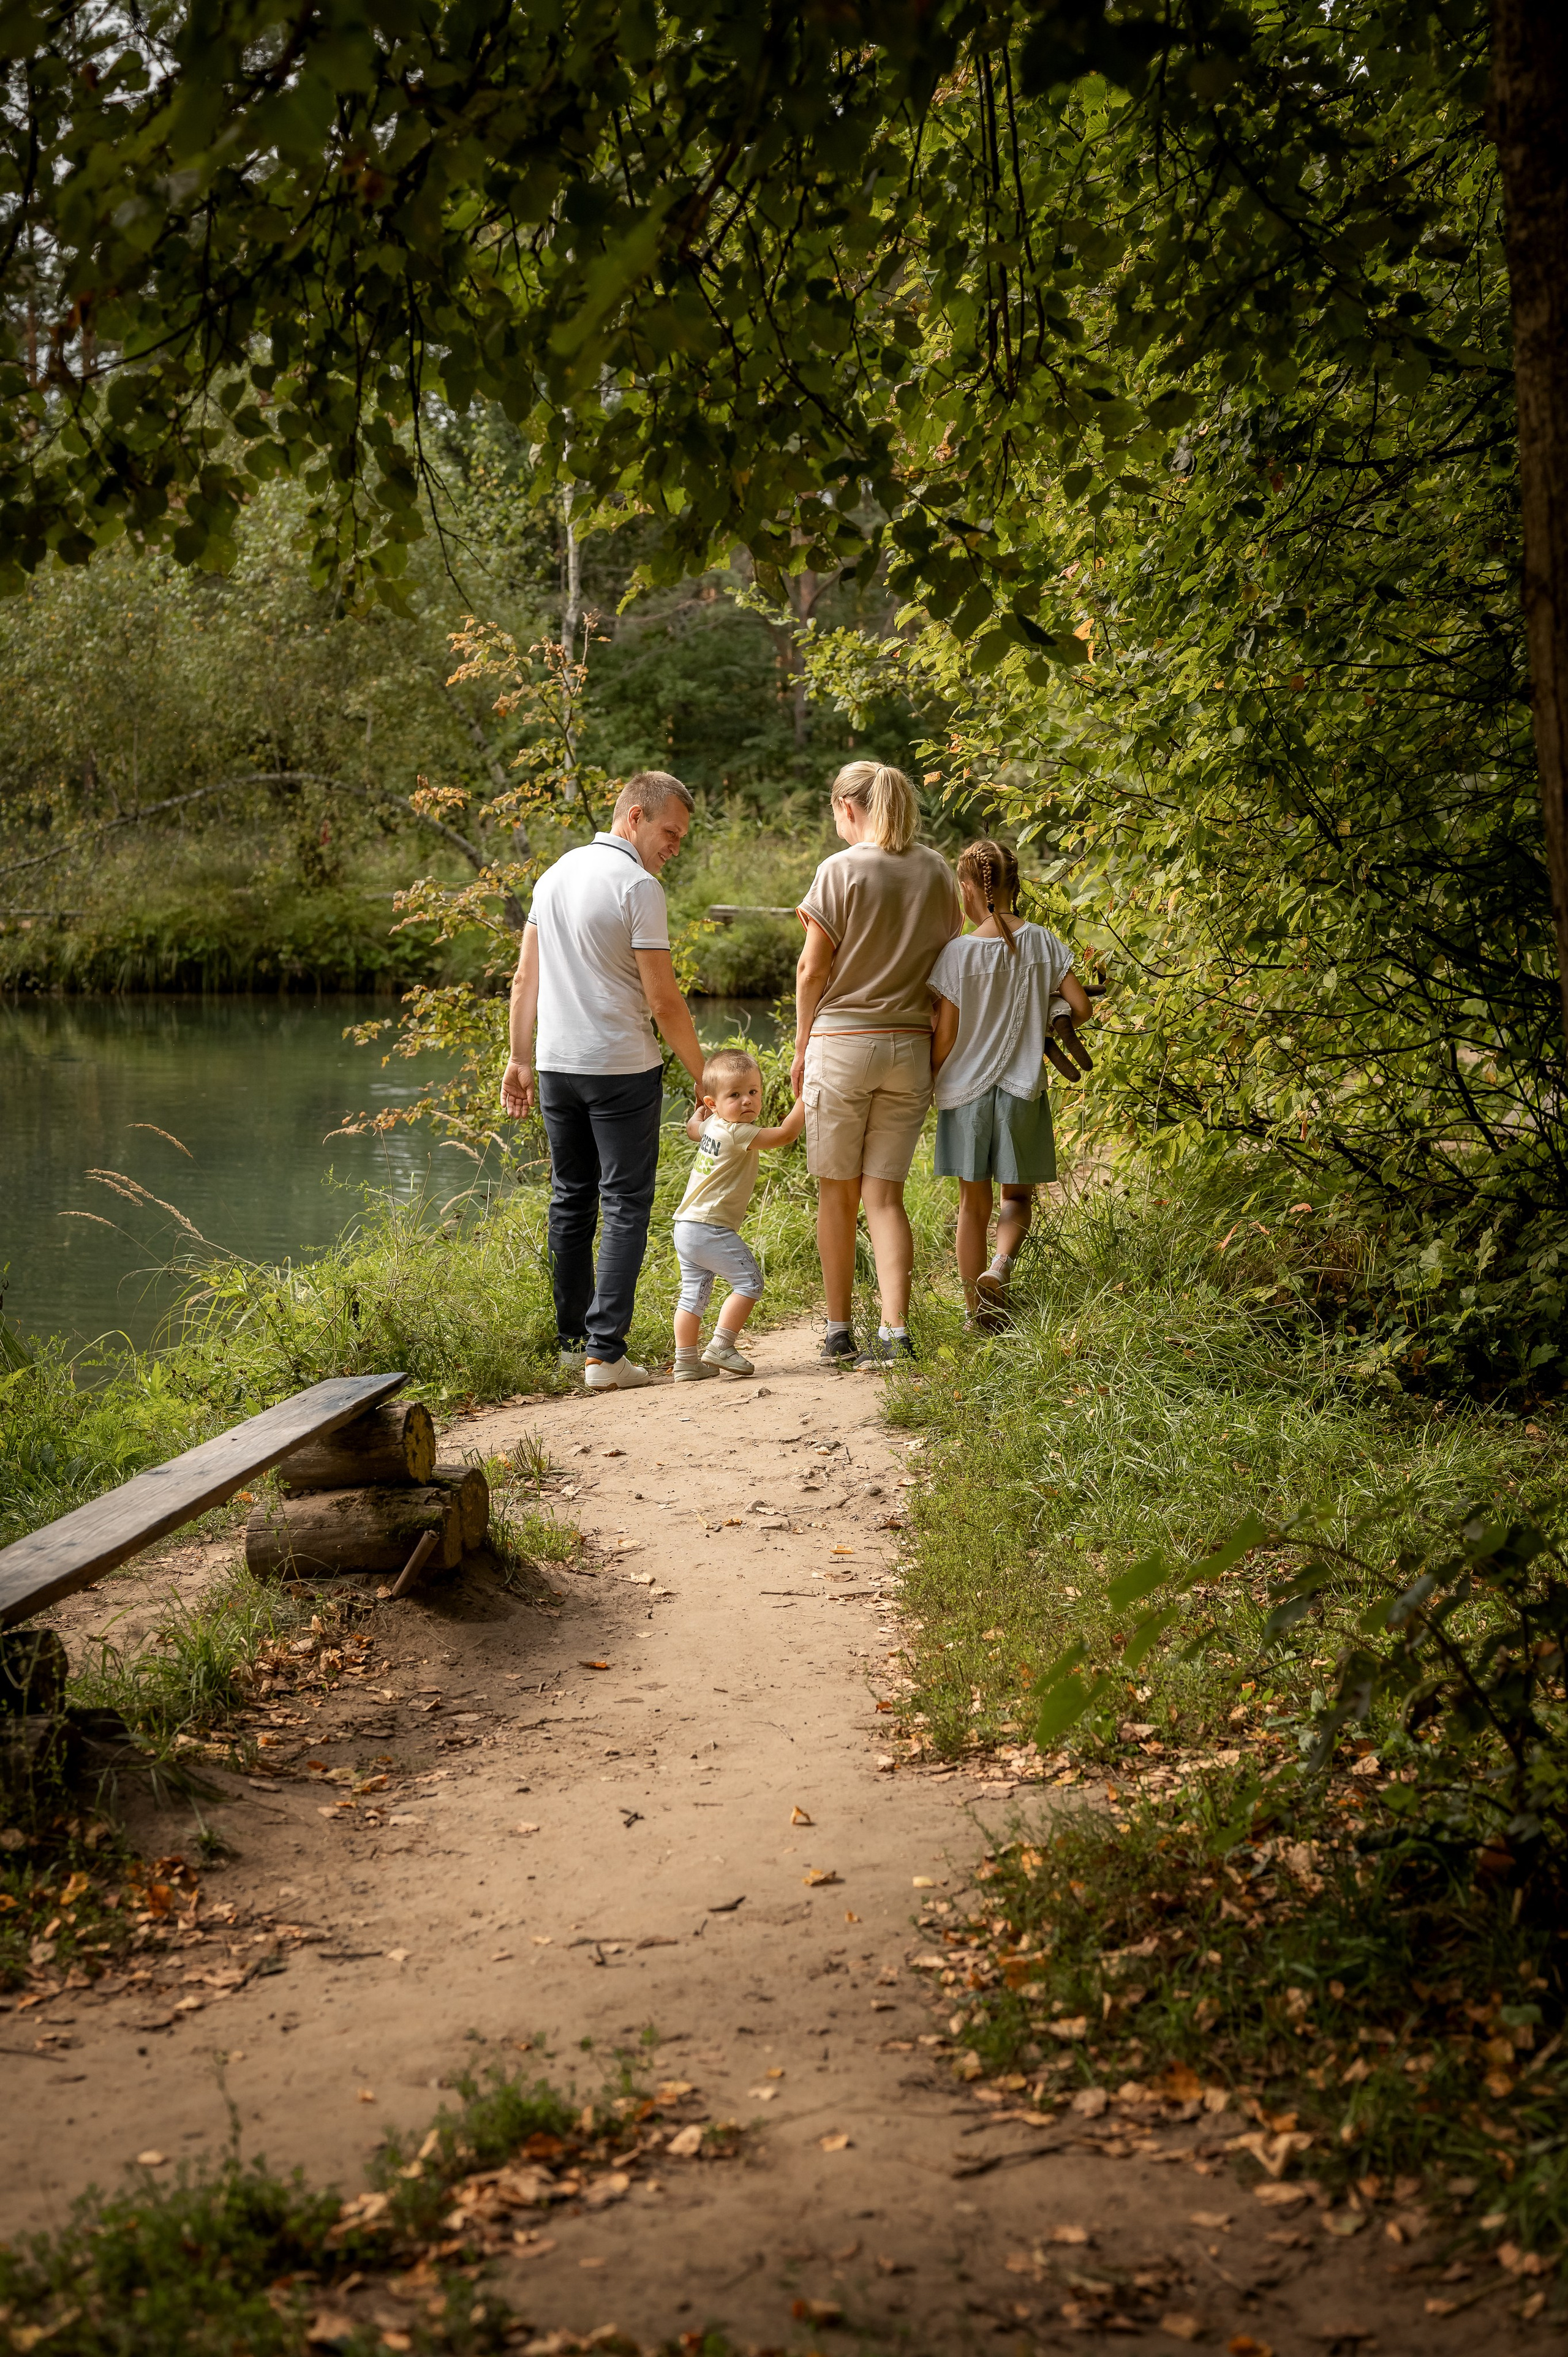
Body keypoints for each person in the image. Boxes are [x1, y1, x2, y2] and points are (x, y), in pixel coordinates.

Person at [500, 771, 706, 1390]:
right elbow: (664, 999)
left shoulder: (555, 873)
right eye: (670, 832)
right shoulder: (638, 887)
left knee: (570, 1198)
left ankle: (571, 1345)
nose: (675, 846)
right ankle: (604, 1354)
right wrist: (707, 1078)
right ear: (636, 816)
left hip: (558, 1066)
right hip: (619, 1067)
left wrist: (519, 1058)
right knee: (623, 1204)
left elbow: (522, 980)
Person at [792, 761, 962, 1368]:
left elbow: (813, 969)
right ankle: (895, 1332)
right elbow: (950, 977)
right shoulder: (938, 871)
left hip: (841, 1044)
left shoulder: (839, 871)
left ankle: (839, 1332)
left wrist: (800, 1047)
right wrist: (936, 1056)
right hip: (909, 1048)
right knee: (885, 1198)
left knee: (836, 1195)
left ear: (847, 807)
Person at [927, 837, 1093, 1325]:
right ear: (1015, 885)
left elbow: (947, 1036)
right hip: (1023, 1089)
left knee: (971, 1206)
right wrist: (1048, 1016)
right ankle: (999, 1268)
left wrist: (929, 1077)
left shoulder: (957, 954)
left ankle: (973, 1309)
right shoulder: (1042, 941)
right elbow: (1081, 1008)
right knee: (1017, 1198)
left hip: (965, 1093)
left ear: (966, 888)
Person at [671, 1047, 806, 1381]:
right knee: (750, 1283)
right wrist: (808, 1097)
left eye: (753, 1092)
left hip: (686, 1227)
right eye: (735, 1095)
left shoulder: (713, 1125)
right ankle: (722, 1345)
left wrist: (699, 1113)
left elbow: (692, 1129)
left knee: (693, 1296)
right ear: (715, 1102)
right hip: (710, 1227)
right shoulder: (737, 1133)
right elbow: (786, 1135)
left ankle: (686, 1361)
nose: (747, 1101)